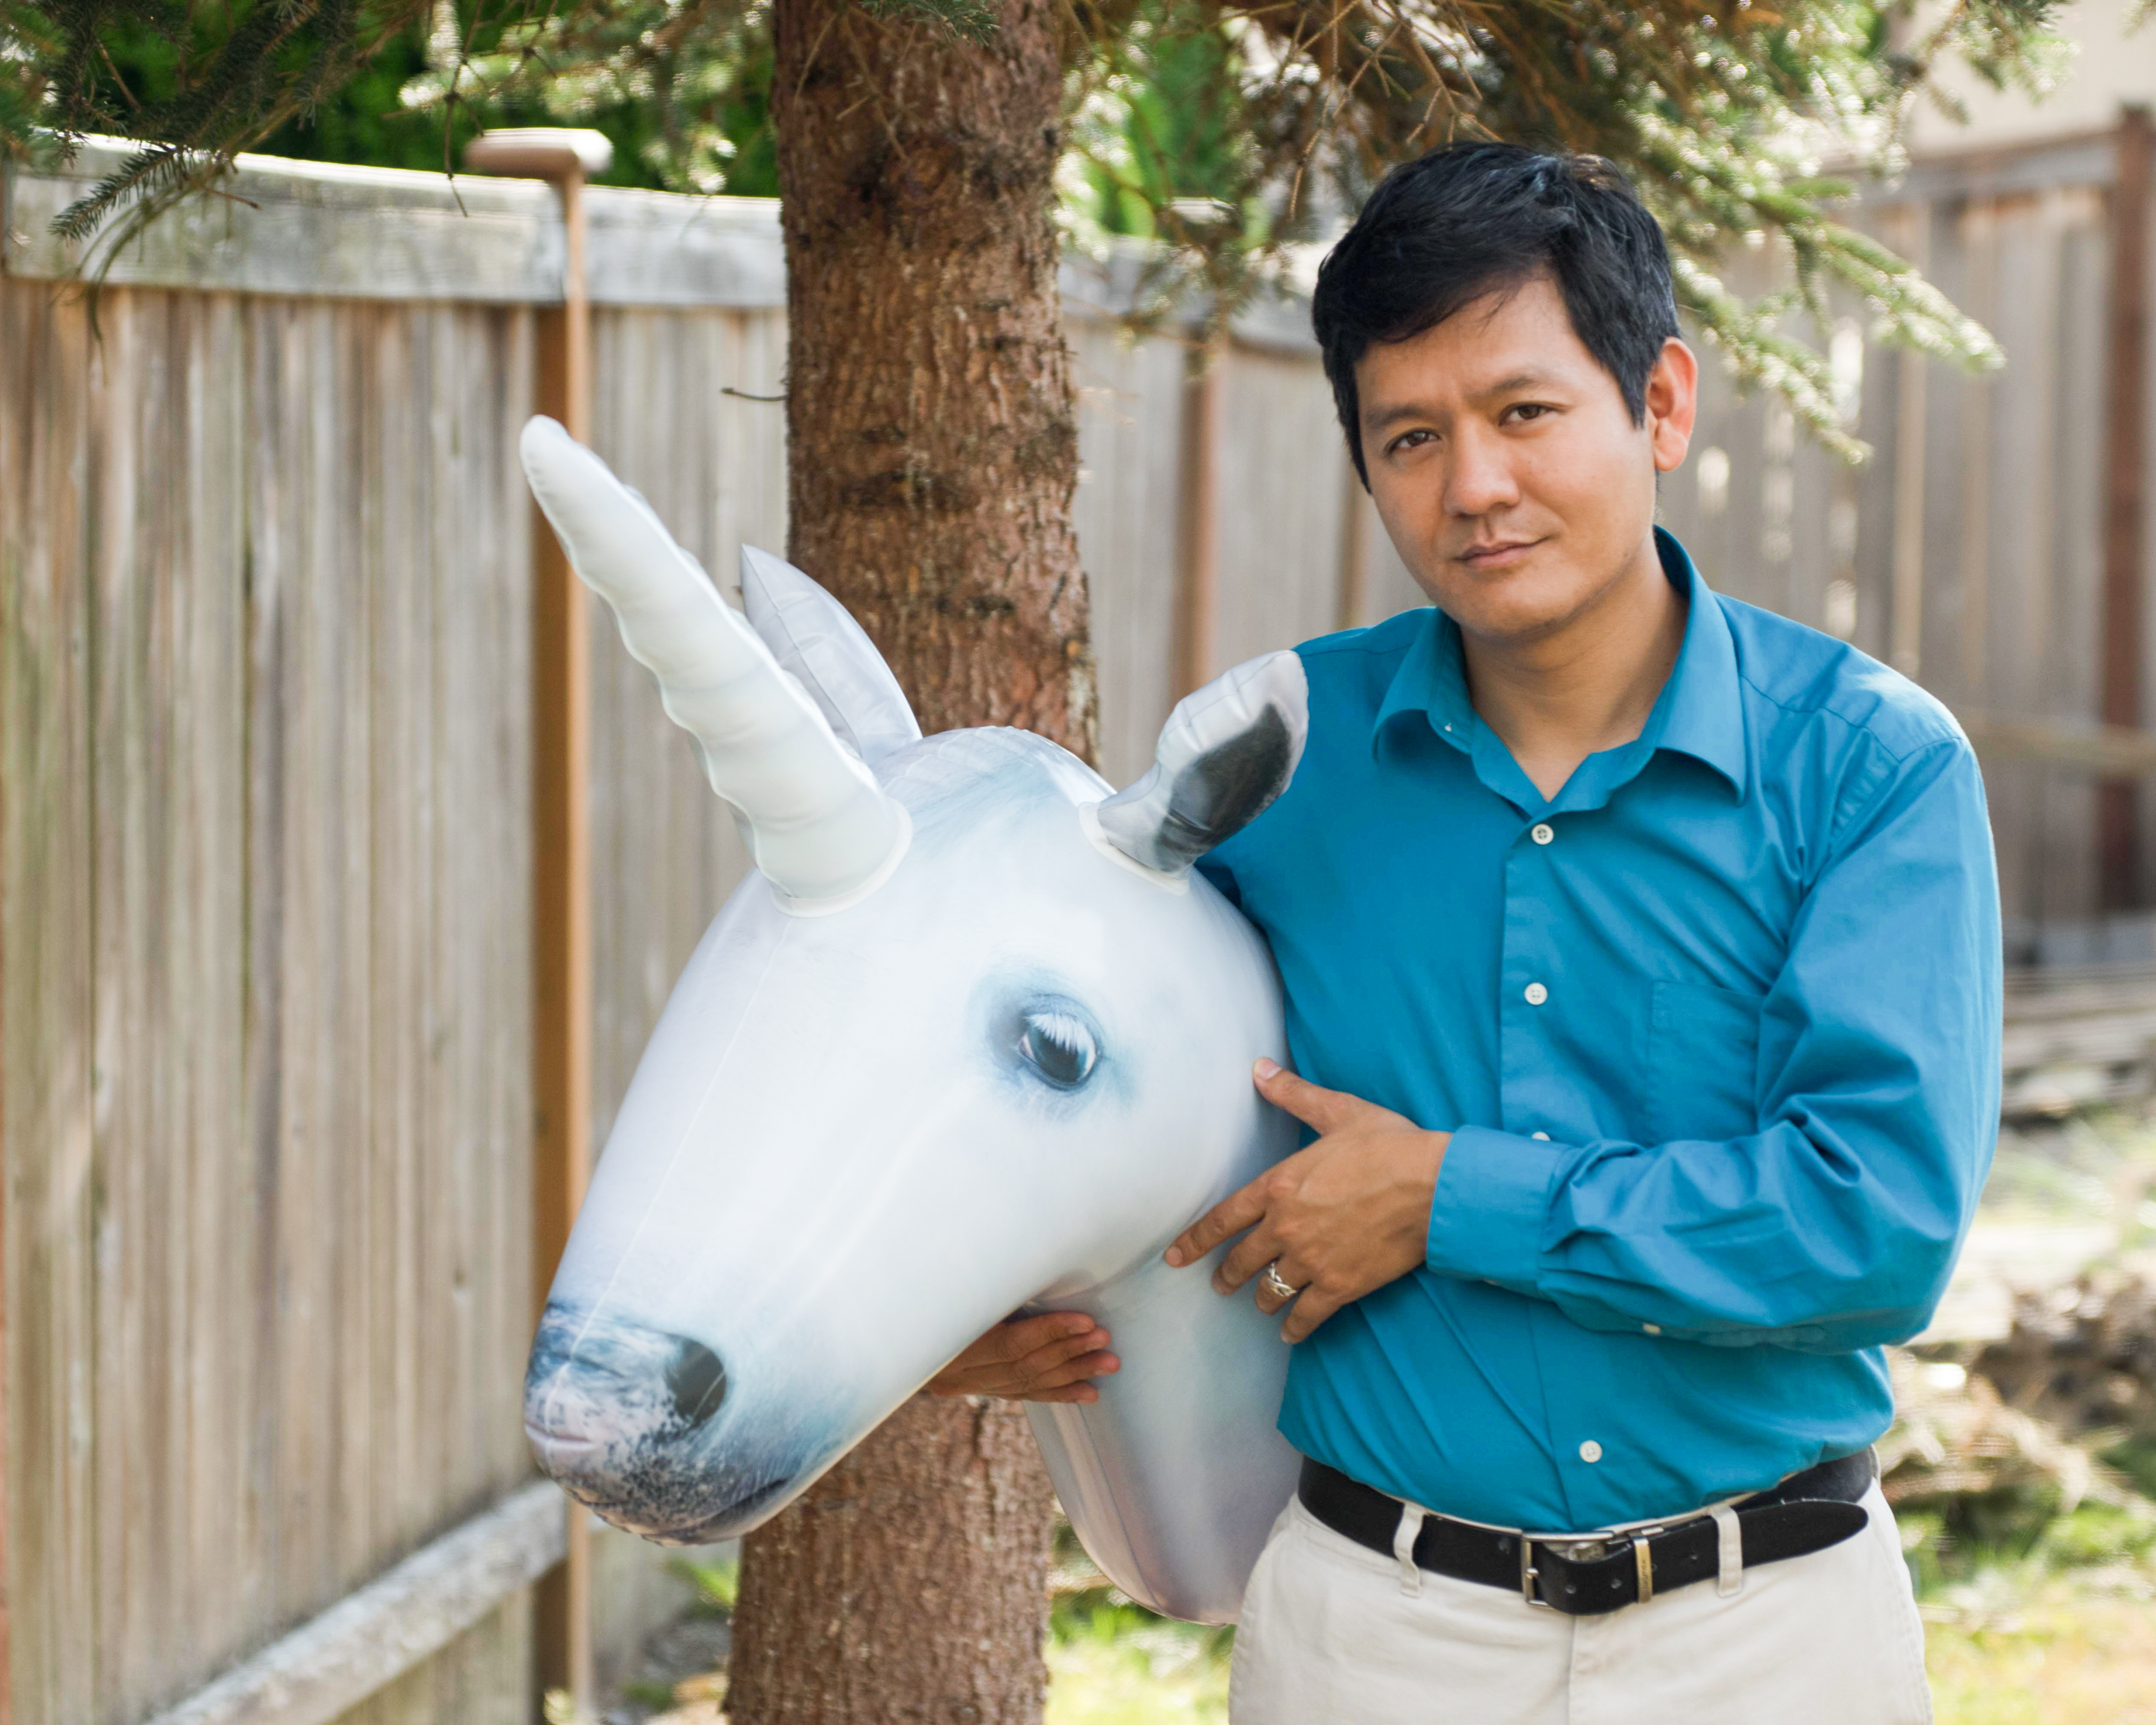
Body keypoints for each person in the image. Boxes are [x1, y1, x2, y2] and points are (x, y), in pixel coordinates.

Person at [930, 141, 2000, 1723]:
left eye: (1524, 412)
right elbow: (1088, 1074)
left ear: (1662, 404)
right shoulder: (1278, 758)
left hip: (1772, 1641)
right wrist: (954, 1311)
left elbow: (1874, 1229)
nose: (1475, 488)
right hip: (1375, 1635)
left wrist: (1446, 1197)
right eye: (1411, 436)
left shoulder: (1868, 766)